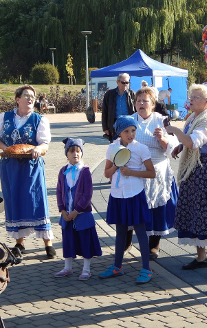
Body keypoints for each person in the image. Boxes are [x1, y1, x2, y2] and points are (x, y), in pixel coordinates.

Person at [165, 84, 207, 280]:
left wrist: (175, 131)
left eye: (196, 97)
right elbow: (189, 142)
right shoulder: (194, 117)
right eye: (191, 96)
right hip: (194, 171)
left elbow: (194, 142)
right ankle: (201, 257)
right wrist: (180, 145)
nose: (191, 99)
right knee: (195, 213)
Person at [0, 85, 56, 259]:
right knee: (14, 200)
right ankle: (19, 243)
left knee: (36, 201)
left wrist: (39, 149)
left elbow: (45, 144)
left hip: (31, 166)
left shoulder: (39, 120)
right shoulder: (4, 118)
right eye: (26, 95)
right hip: (10, 166)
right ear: (17, 99)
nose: (30, 98)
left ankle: (48, 242)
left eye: (33, 96)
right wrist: (6, 149)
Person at [99, 116, 156, 283]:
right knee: (121, 231)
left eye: (133, 130)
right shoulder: (112, 148)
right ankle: (117, 266)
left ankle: (147, 268)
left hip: (135, 194)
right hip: (118, 194)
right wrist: (117, 164)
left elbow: (151, 173)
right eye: (126, 131)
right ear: (119, 133)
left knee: (140, 231)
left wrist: (132, 172)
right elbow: (107, 173)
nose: (130, 134)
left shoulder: (141, 149)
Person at [132, 87, 179, 260]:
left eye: (145, 101)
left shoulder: (163, 121)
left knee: (157, 209)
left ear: (153, 104)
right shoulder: (129, 120)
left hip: (157, 171)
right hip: (135, 171)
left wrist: (162, 139)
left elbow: (174, 149)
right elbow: (118, 144)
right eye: (138, 101)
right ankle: (127, 240)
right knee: (133, 207)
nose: (141, 104)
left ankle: (154, 245)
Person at [54, 138, 102, 281]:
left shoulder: (85, 171)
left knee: (85, 241)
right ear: (66, 154)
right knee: (68, 241)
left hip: (82, 215)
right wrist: (62, 210)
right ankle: (67, 267)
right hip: (66, 214)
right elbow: (58, 191)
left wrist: (77, 211)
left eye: (78, 151)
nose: (75, 154)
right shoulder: (63, 171)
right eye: (71, 151)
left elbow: (88, 194)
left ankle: (86, 269)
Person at [102, 73, 136, 142]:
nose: (125, 84)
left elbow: (136, 110)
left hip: (128, 122)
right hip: (114, 122)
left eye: (127, 82)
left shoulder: (132, 94)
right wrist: (105, 127)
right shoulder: (109, 94)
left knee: (129, 142)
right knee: (115, 143)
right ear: (117, 82)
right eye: (123, 82)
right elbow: (104, 111)